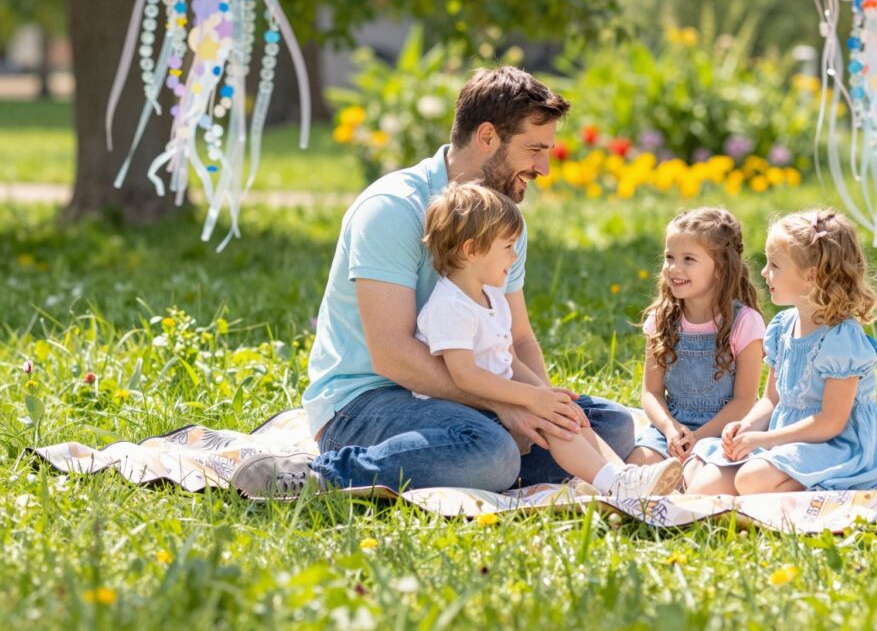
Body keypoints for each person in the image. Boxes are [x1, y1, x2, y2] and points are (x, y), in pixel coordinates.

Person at [231, 67, 634, 499]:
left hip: (463, 395)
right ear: (486, 137)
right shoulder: (393, 208)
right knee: (492, 451)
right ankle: (320, 475)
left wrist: (549, 411)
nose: (544, 167)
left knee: (613, 424)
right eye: (534, 149)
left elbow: (517, 339)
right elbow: (393, 356)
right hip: (368, 402)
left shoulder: (503, 221)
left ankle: (471, 463)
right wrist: (506, 403)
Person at [416, 182, 682, 498]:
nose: (514, 256)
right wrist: (530, 399)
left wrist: (545, 393)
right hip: (457, 410)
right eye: (507, 246)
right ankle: (612, 481)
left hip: (496, 397)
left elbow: (508, 359)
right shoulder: (451, 305)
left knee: (563, 412)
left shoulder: (492, 297)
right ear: (471, 250)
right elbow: (464, 375)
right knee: (550, 421)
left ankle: (623, 478)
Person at [685, 208, 877, 495]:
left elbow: (831, 422)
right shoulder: (783, 326)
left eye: (774, 265)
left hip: (837, 446)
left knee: (750, 479)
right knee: (701, 482)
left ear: (811, 276)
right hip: (785, 439)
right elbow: (772, 400)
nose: (764, 272)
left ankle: (836, 483)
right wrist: (744, 429)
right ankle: (769, 478)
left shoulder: (840, 339)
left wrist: (765, 439)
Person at [626, 208, 765, 485]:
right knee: (635, 466)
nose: (674, 268)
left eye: (688, 259)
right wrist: (670, 430)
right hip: (672, 429)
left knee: (697, 479)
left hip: (721, 432)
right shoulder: (662, 319)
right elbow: (651, 393)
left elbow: (744, 401)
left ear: (721, 268)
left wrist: (697, 438)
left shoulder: (745, 322)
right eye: (669, 257)